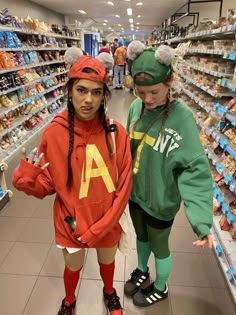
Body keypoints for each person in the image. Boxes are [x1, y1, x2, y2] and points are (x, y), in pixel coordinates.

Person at [12, 48, 132, 315]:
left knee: (107, 260)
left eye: (96, 92)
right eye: (81, 90)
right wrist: (27, 179)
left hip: (107, 220)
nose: (88, 99)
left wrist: (102, 226)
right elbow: (47, 185)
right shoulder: (54, 133)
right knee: (73, 266)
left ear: (104, 94)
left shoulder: (116, 133)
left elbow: (124, 186)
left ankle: (109, 292)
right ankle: (69, 299)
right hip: (72, 222)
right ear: (69, 91)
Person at [124, 41, 213, 307]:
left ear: (170, 81)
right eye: (141, 92)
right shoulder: (134, 109)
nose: (148, 99)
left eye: (154, 92)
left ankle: (160, 287)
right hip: (136, 194)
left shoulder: (182, 117)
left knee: (159, 245)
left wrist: (201, 220)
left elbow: (194, 169)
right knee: (140, 237)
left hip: (162, 201)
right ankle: (142, 270)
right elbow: (125, 152)